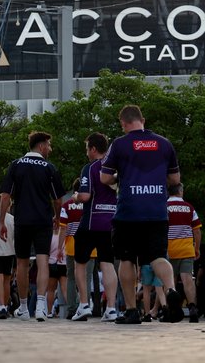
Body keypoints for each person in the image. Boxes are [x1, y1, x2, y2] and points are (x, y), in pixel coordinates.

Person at [99, 105, 183, 324]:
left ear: (123, 123)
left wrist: (121, 177)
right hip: (156, 212)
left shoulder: (119, 144)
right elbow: (175, 180)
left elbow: (104, 178)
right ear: (142, 120)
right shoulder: (164, 144)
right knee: (157, 256)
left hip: (128, 212)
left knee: (127, 259)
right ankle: (172, 290)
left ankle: (131, 311)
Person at [0, 131, 65, 322]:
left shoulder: (15, 165)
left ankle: (23, 307)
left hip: (22, 220)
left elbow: (5, 196)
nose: (50, 150)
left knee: (22, 263)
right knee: (43, 261)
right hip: (42, 220)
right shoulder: (49, 167)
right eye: (49, 146)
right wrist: (56, 216)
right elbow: (58, 199)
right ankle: (41, 307)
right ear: (42, 145)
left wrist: (3, 220)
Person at [73, 132, 119, 322]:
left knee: (80, 263)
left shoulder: (90, 168)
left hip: (91, 221)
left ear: (93, 149)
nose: (86, 152)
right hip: (111, 222)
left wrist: (75, 196)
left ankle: (83, 304)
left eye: (87, 148)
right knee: (107, 263)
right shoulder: (114, 169)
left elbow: (85, 197)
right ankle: (111, 308)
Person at [166, 183, 201, 322]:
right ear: (180, 191)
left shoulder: (164, 207)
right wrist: (196, 248)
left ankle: (171, 309)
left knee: (170, 281)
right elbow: (197, 231)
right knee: (187, 279)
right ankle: (192, 307)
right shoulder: (189, 207)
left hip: (169, 249)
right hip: (186, 249)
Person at [58, 179, 83, 319]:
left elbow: (63, 228)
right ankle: (85, 306)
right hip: (88, 244)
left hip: (71, 244)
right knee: (86, 277)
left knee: (71, 278)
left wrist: (60, 248)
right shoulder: (88, 204)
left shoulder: (67, 205)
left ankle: (72, 309)